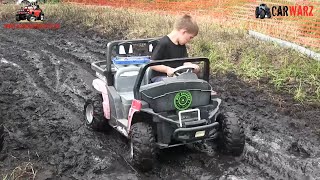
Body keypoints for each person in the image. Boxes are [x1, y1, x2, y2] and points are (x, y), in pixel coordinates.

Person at [150, 14, 200, 83]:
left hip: (176, 77)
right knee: (172, 84)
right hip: (160, 78)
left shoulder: (181, 45)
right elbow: (152, 64)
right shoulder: (163, 43)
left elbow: (184, 61)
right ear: (183, 32)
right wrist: (167, 69)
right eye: (190, 37)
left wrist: (191, 65)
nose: (189, 40)